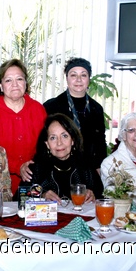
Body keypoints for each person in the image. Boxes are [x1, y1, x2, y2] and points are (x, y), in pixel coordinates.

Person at [0, 59, 47, 196]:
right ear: (0, 85)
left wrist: (32, 168)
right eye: (8, 80)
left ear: (25, 83)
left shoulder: (38, 109)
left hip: (34, 183)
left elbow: (45, 147)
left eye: (19, 79)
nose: (15, 85)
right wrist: (18, 167)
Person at [43, 57, 106, 196]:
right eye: (73, 75)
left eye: (83, 75)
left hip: (87, 171)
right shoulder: (52, 106)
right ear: (67, 78)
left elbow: (100, 142)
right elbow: (44, 140)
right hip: (58, 169)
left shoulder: (96, 109)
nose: (78, 79)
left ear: (89, 78)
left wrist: (99, 168)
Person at [22, 113, 101, 204]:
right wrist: (41, 196)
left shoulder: (86, 167)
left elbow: (102, 197)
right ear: (47, 144)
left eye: (64, 136)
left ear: (73, 140)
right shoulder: (35, 169)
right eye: (53, 138)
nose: (59, 143)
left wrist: (92, 195)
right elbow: (20, 198)